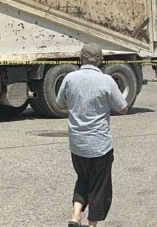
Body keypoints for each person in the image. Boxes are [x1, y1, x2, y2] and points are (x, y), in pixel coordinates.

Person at [56, 43, 129, 227]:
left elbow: (59, 104)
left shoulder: (70, 78)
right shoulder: (107, 81)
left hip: (77, 144)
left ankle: (75, 216)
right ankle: (92, 225)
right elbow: (123, 108)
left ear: (80, 58)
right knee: (99, 187)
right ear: (101, 60)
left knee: (83, 178)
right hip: (100, 146)